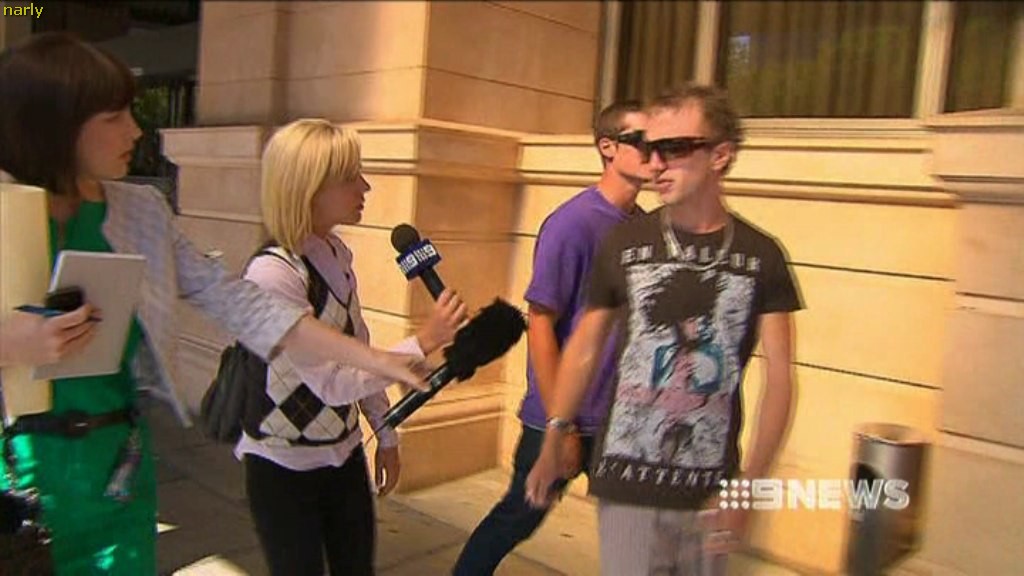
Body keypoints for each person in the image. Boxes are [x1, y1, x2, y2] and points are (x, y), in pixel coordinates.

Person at [0, 33, 426, 574]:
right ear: (54, 125)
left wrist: (378, 361)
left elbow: (239, 301)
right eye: (113, 117)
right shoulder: (6, 211)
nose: (136, 130)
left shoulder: (141, 212)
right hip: (20, 479)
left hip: (116, 475)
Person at [525, 84, 803, 575]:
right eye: (650, 148)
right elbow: (585, 344)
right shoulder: (624, 242)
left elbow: (780, 378)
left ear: (720, 155)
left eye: (674, 149)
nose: (655, 164)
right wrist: (554, 435)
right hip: (626, 479)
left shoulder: (762, 256)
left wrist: (750, 486)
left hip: (709, 485)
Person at [239, 118, 467, 576]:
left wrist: (386, 433)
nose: (364, 187)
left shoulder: (337, 254)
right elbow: (330, 383)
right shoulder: (272, 274)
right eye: (349, 177)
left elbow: (357, 346)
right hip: (282, 466)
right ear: (309, 186)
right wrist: (424, 341)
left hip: (342, 456)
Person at [452, 101, 652, 575]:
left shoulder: (643, 225)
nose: (656, 153)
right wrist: (562, 424)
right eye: (643, 142)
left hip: (621, 416)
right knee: (518, 517)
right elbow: (541, 323)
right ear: (608, 147)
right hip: (562, 416)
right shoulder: (572, 224)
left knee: (638, 532)